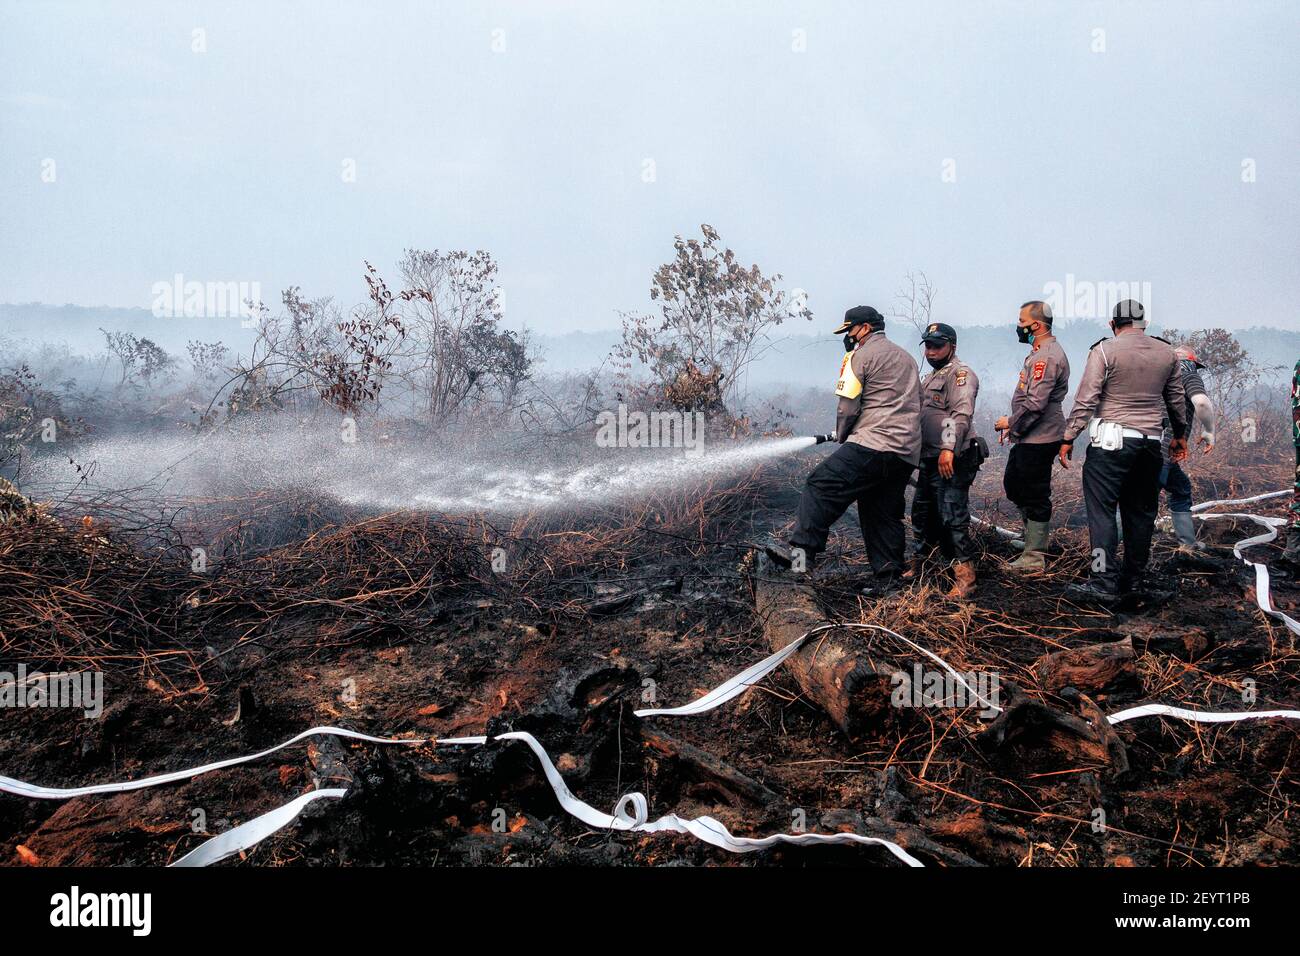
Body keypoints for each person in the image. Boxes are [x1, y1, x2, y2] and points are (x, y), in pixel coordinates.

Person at [766, 306, 921, 596]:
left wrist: (844, 433)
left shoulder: (858, 356)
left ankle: (800, 559)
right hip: (904, 453)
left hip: (872, 444)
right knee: (882, 512)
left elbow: (848, 407)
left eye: (850, 330)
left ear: (864, 328)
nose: (848, 337)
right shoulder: (908, 359)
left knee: (820, 485)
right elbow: (914, 404)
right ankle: (890, 585)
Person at [1058, 300, 1189, 601]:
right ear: (1145, 324)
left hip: (1110, 445)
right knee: (1141, 514)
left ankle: (1102, 581)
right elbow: (1176, 401)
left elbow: (1087, 399)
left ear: (1113, 324)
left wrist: (1069, 436)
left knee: (1102, 513)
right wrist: (1180, 436)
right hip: (1150, 446)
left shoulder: (1104, 350)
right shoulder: (1166, 353)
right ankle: (1133, 582)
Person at [995, 301, 1070, 571]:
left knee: (1034, 492)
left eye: (1021, 321)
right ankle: (1032, 539)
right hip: (1029, 434)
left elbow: (1036, 403)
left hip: (1042, 435)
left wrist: (1010, 421)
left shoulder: (1046, 357)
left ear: (1035, 325)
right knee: (1014, 483)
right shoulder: (1038, 353)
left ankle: (1035, 555)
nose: (1018, 326)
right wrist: (1015, 427)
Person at [911, 322, 984, 599]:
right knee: (922, 513)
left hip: (955, 457)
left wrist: (948, 448)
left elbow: (960, 414)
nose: (931, 351)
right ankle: (923, 566)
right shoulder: (930, 377)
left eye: (937, 345)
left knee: (952, 516)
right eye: (927, 345)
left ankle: (966, 578)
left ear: (952, 346)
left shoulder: (960, 374)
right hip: (929, 457)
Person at [1160, 345, 1216, 550]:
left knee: (1181, 488)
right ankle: (1115, 552)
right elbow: (1201, 403)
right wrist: (1209, 431)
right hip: (1162, 450)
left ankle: (1188, 544)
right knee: (1141, 504)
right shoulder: (1187, 371)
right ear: (1192, 361)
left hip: (1139, 446)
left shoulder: (1155, 372)